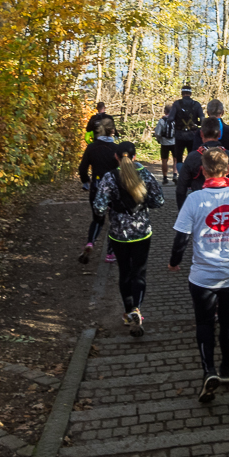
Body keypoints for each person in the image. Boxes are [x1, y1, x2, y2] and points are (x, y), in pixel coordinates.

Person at [169, 147, 229, 403]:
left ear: (202, 171)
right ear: (227, 170)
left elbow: (181, 237)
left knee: (204, 323)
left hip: (202, 276)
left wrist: (174, 262)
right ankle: (226, 368)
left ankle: (208, 371)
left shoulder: (193, 200)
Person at [93, 141, 165, 336]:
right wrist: (143, 202)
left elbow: (99, 206)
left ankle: (127, 312)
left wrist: (110, 208)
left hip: (119, 234)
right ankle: (137, 310)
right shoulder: (144, 173)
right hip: (142, 232)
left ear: (116, 157)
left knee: (124, 273)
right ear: (134, 157)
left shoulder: (109, 177)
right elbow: (159, 200)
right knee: (139, 273)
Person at [175, 117, 229, 210]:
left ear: (201, 133)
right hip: (224, 207)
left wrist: (182, 211)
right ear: (219, 134)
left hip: (199, 206)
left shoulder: (193, 157)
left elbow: (181, 188)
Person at [78, 117, 119, 263]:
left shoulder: (92, 147)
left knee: (97, 219)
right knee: (114, 220)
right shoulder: (116, 149)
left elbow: (82, 168)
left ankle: (91, 242)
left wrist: (85, 181)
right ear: (112, 131)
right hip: (113, 189)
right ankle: (110, 253)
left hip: (96, 187)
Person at [191, 99, 229, 163]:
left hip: (205, 169)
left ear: (207, 113)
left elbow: (195, 153)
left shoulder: (200, 131)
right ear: (223, 112)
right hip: (226, 168)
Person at [166, 84, 204, 170]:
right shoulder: (196, 104)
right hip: (193, 135)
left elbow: (170, 119)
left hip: (179, 135)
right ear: (190, 94)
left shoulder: (177, 104)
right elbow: (202, 120)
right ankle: (191, 175)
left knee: (178, 157)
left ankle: (182, 175)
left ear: (182, 93)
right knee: (192, 156)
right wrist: (196, 123)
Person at [153, 104, 178, 184]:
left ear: (165, 111)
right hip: (174, 142)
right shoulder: (175, 120)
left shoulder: (162, 121)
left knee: (164, 161)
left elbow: (157, 133)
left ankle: (165, 177)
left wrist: (159, 140)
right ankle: (175, 175)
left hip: (164, 143)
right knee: (175, 159)